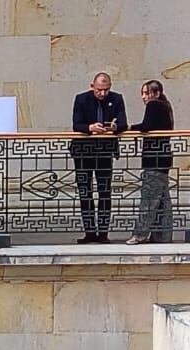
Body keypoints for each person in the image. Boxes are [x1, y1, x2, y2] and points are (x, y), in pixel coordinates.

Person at [70, 72, 127, 244]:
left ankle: (103, 233)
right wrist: (90, 127)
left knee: (105, 191)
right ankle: (89, 232)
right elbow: (76, 124)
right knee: (85, 192)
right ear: (92, 86)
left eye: (106, 89)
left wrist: (114, 127)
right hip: (83, 152)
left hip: (104, 151)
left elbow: (123, 123)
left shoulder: (116, 99)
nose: (103, 93)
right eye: (99, 90)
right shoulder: (81, 99)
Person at [127, 79, 175, 245]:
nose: (144, 97)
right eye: (142, 93)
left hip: (154, 158)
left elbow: (146, 125)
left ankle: (139, 234)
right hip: (164, 157)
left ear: (156, 93)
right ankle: (162, 236)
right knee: (162, 200)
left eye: (146, 93)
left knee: (149, 198)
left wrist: (128, 127)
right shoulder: (165, 106)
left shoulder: (154, 105)